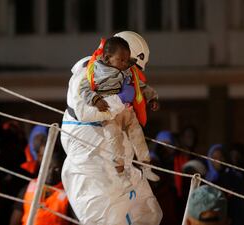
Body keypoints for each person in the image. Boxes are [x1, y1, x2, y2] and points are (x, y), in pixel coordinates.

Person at [61, 31, 162, 225]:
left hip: (115, 162)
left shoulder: (121, 75)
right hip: (91, 162)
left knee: (147, 212)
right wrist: (118, 100)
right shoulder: (87, 72)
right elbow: (84, 111)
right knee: (106, 217)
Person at [80, 36, 159, 181]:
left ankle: (146, 166)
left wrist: (152, 97)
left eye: (127, 60)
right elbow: (84, 90)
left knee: (138, 136)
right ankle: (120, 172)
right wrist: (96, 100)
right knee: (114, 141)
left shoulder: (127, 71)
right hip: (109, 115)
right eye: (121, 60)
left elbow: (140, 85)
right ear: (107, 58)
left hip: (127, 112)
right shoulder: (95, 71)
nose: (124, 64)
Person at [9, 152, 69, 225]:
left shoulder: (69, 195)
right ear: (42, 165)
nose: (51, 173)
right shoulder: (28, 188)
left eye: (56, 169)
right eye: (48, 167)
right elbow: (14, 221)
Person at [206, 144, 244, 225]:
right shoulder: (205, 179)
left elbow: (240, 205)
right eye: (215, 158)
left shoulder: (234, 178)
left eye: (221, 157)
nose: (219, 160)